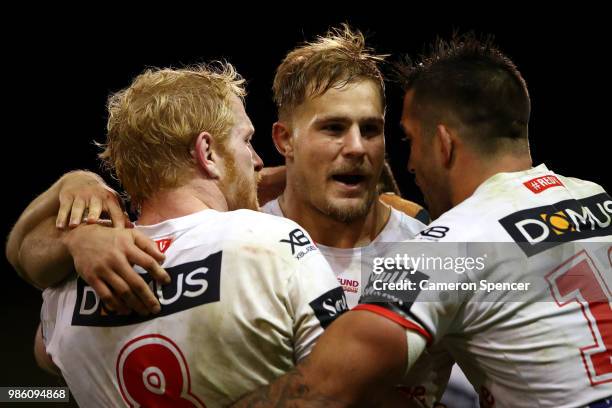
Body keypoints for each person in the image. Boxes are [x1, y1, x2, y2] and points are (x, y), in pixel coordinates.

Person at [231, 34, 612, 408]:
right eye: (333, 128)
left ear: (443, 143)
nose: (407, 163)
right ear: (285, 140)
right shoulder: (594, 196)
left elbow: (327, 387)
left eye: (377, 132)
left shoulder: (436, 246)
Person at [7, 63, 347, 407]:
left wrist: (71, 191)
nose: (258, 161)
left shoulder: (71, 283)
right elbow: (348, 385)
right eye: (246, 140)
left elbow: (23, 263)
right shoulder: (276, 243)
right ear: (208, 153)